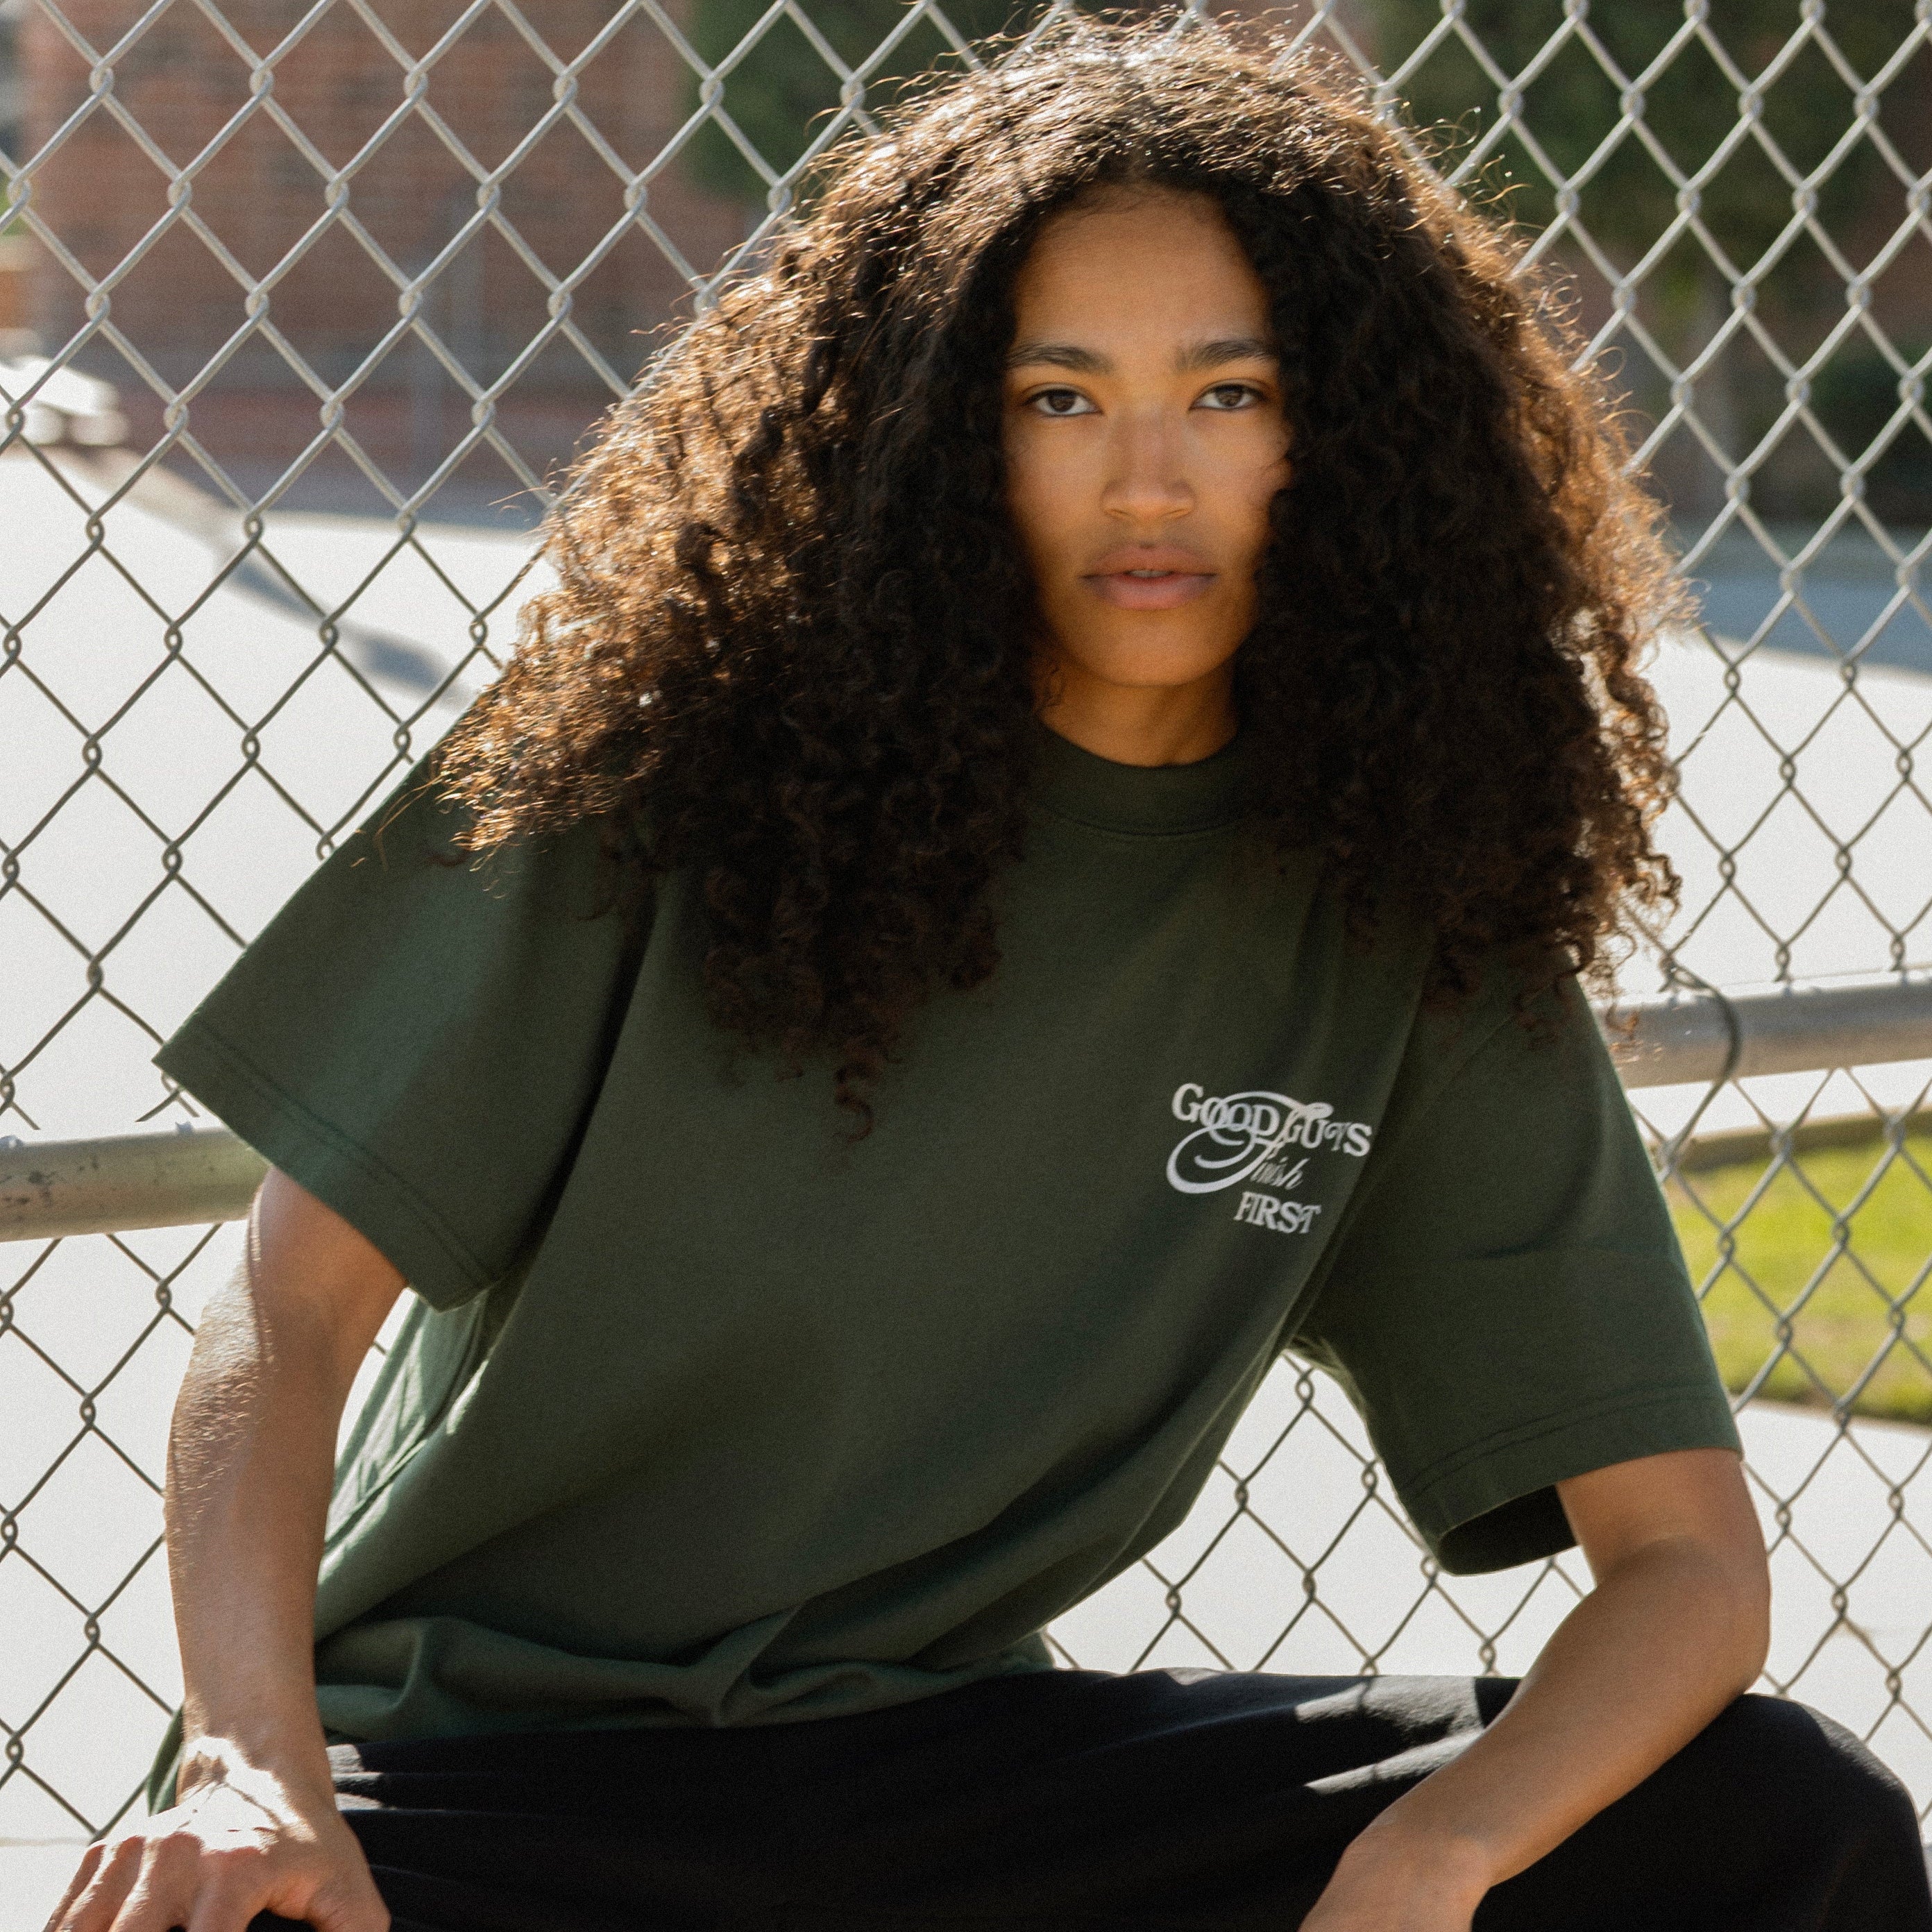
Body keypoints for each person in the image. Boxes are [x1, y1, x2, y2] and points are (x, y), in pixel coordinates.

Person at [47, 20, 1931, 1932]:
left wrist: (1428, 1858)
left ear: (1350, 435)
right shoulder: (638, 768)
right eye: (1055, 396)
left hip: (952, 1788)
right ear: (935, 427)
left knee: (1774, 1821)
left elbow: (1689, 1563)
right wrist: (250, 1770)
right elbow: (282, 1322)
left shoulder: (1404, 915)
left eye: (1229, 392)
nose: (1143, 481)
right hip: (486, 1773)